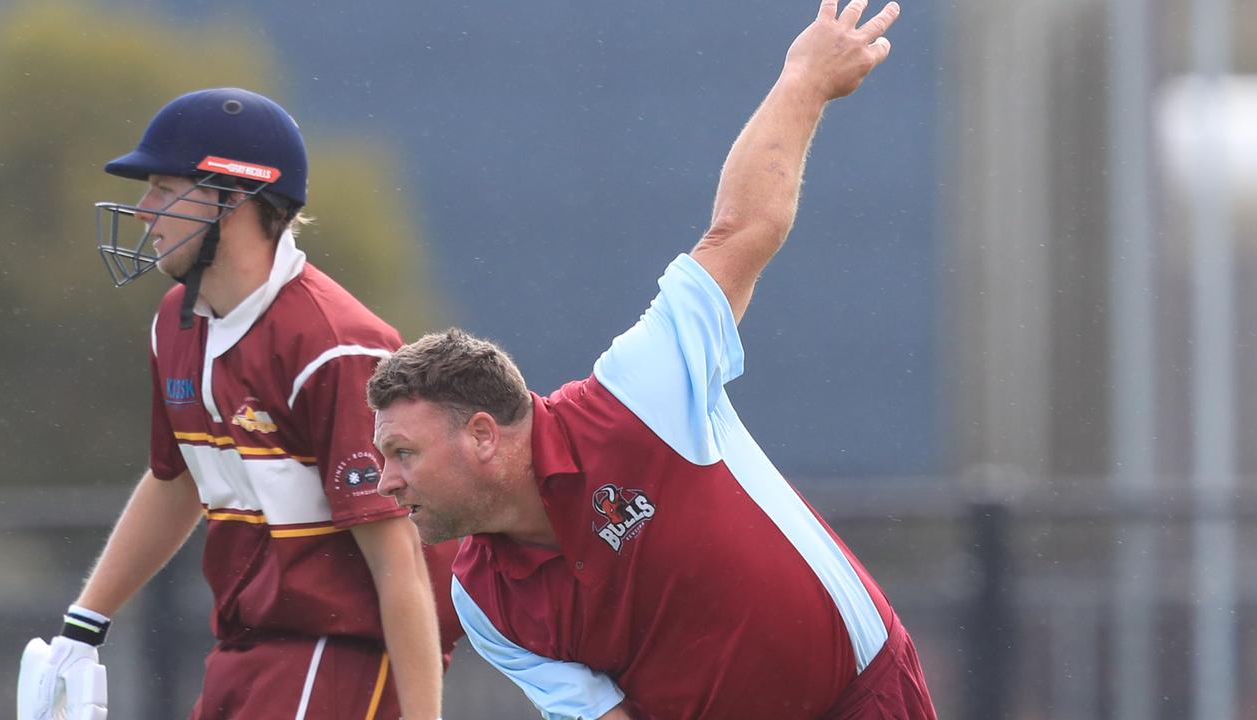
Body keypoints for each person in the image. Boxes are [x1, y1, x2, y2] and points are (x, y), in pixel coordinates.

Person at [365, 1, 935, 718]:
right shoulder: (481, 601)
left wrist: (805, 79)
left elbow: (741, 231)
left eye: (402, 453)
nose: (384, 481)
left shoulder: (636, 394)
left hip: (860, 698)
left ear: (482, 433)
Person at [16, 88, 461, 720]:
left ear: (235, 196)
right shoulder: (177, 322)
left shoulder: (334, 347)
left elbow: (401, 566)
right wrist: (84, 625)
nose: (143, 211)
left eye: (164, 188)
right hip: (243, 649)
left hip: (341, 653)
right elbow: (176, 481)